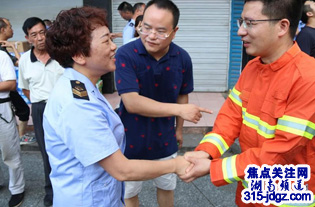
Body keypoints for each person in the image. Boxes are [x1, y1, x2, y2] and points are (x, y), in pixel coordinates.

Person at [43, 6, 190, 207]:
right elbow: (122, 170)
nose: (114, 47)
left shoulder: (85, 87)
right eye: (106, 41)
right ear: (79, 55)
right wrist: (175, 164)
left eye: (112, 39)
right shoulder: (77, 105)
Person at [180, 0, 315, 206]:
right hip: (250, 189)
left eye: (250, 23)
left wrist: (214, 168)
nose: (241, 31)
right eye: (241, 22)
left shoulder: (308, 78)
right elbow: (230, 119)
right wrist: (205, 152)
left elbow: (281, 151)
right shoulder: (252, 68)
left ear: (283, 26)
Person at [115, 0, 212, 206]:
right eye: (146, 27)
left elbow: (182, 94)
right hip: (130, 137)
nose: (151, 36)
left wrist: (179, 129)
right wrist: (180, 110)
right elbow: (131, 102)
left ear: (174, 32)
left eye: (161, 31)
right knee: (129, 192)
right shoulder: (125, 54)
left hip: (164, 137)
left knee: (167, 187)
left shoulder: (182, 58)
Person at [18, 17, 64, 207]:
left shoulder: (61, 54)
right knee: (47, 153)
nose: (40, 38)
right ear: (28, 38)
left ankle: (70, 191)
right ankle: (51, 194)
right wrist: (40, 102)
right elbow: (26, 89)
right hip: (40, 109)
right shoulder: (24, 61)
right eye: (34, 35)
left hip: (63, 107)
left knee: (69, 148)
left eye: (42, 32)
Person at [0, 17, 35, 144]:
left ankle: (18, 136)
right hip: (6, 90)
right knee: (23, 111)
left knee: (21, 111)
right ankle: (19, 137)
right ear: (3, 30)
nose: (12, 29)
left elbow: (18, 63)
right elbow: (20, 63)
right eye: (10, 27)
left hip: (7, 89)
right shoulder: (1, 50)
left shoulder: (3, 47)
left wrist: (12, 47)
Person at [0, 50, 25, 207]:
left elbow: (10, 83)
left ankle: (17, 189)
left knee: (10, 152)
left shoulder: (1, 56)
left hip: (2, 108)